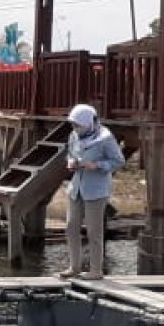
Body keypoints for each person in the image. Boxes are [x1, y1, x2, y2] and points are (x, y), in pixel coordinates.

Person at [61, 104, 125, 279]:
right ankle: (74, 267)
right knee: (71, 226)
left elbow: (118, 161)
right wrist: (71, 162)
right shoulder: (73, 135)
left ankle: (96, 270)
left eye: (78, 125)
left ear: (89, 123)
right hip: (76, 188)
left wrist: (97, 165)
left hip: (96, 190)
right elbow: (70, 154)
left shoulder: (105, 138)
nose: (75, 129)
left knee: (94, 231)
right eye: (73, 125)